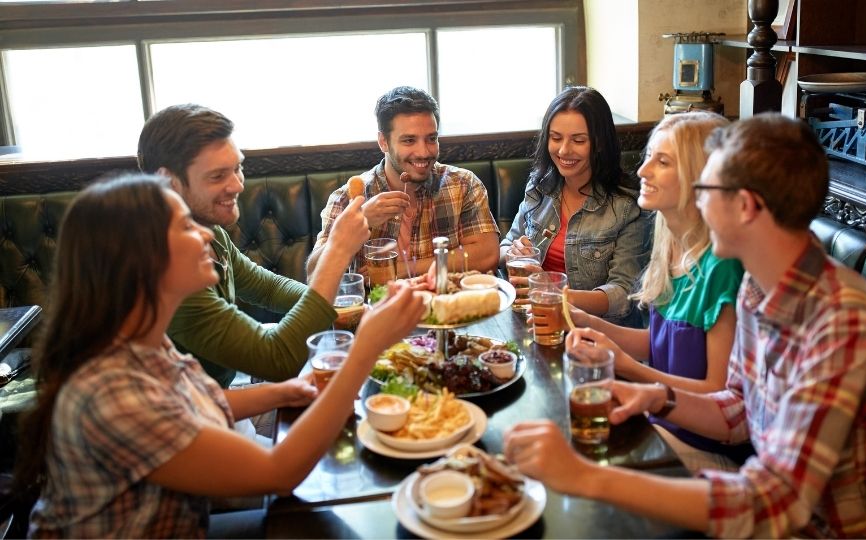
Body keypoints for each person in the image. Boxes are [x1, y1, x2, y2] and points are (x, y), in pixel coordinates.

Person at [504, 114, 866, 538]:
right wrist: (652, 396)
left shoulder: (843, 321)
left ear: (745, 206)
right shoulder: (758, 286)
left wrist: (585, 477)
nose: (698, 200)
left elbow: (774, 503)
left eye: (705, 187)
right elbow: (738, 410)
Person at [14, 175, 425, 537]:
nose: (206, 235)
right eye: (184, 227)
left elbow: (189, 404)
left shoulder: (140, 338)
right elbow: (279, 473)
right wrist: (364, 348)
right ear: (138, 260)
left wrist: (283, 392)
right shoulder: (110, 391)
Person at [565, 111, 751, 472]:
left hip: (707, 449)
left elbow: (717, 391)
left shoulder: (723, 265)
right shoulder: (670, 244)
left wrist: (627, 367)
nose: (642, 171)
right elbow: (662, 342)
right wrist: (588, 322)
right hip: (660, 423)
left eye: (662, 161)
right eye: (648, 156)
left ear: (701, 178)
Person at [138, 104, 367, 388]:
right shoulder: (166, 270)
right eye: (217, 176)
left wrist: (352, 309)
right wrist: (338, 250)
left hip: (220, 402)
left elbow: (269, 289)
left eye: (238, 168)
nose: (237, 185)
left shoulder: (212, 234)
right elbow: (275, 360)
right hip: (194, 422)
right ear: (167, 181)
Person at [307, 86, 500, 279]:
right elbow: (314, 274)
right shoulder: (347, 198)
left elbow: (488, 255)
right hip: (376, 308)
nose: (424, 152)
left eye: (431, 139)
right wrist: (360, 222)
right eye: (409, 141)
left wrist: (401, 268)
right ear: (383, 142)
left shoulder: (463, 184)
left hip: (448, 305)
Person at [500, 86, 647, 324]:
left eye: (578, 140)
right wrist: (514, 254)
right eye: (556, 138)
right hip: (534, 322)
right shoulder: (540, 187)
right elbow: (505, 245)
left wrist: (553, 290)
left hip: (596, 336)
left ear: (599, 143)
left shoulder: (627, 207)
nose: (564, 150)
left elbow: (623, 296)